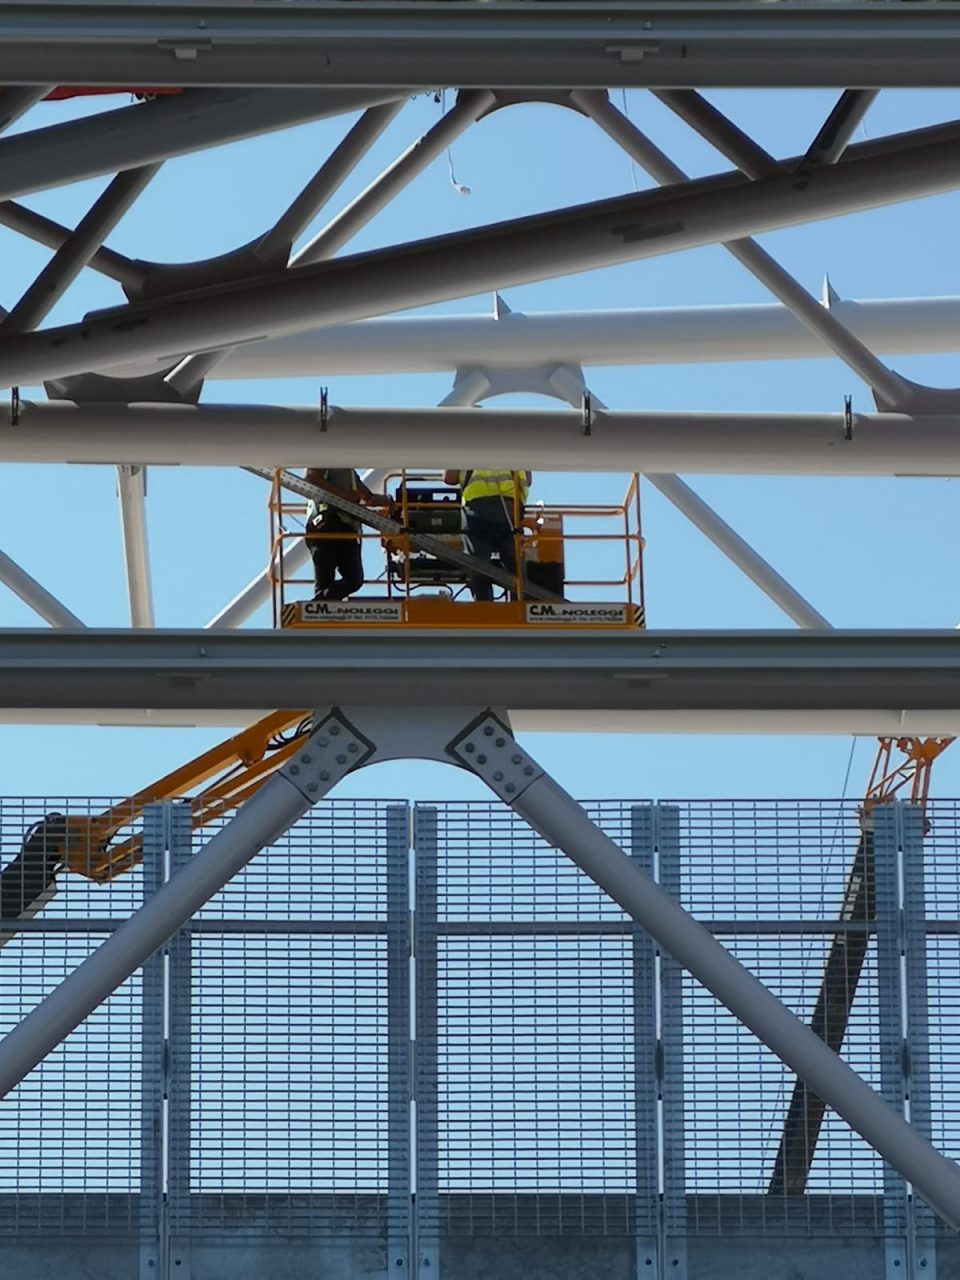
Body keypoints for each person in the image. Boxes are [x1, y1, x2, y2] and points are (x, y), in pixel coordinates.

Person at [442, 468, 531, 601]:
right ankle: (519, 604)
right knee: (513, 562)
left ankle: (484, 605)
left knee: (478, 562)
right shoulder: (519, 446)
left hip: (477, 504)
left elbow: (450, 478)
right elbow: (527, 480)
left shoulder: (462, 447)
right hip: (510, 505)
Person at [304, 467, 378, 601]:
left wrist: (387, 501)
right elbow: (312, 478)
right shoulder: (325, 458)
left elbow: (367, 496)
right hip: (325, 525)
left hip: (346, 527)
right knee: (326, 579)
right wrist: (343, 495)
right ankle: (320, 607)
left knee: (354, 579)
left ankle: (322, 604)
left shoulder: (347, 471)